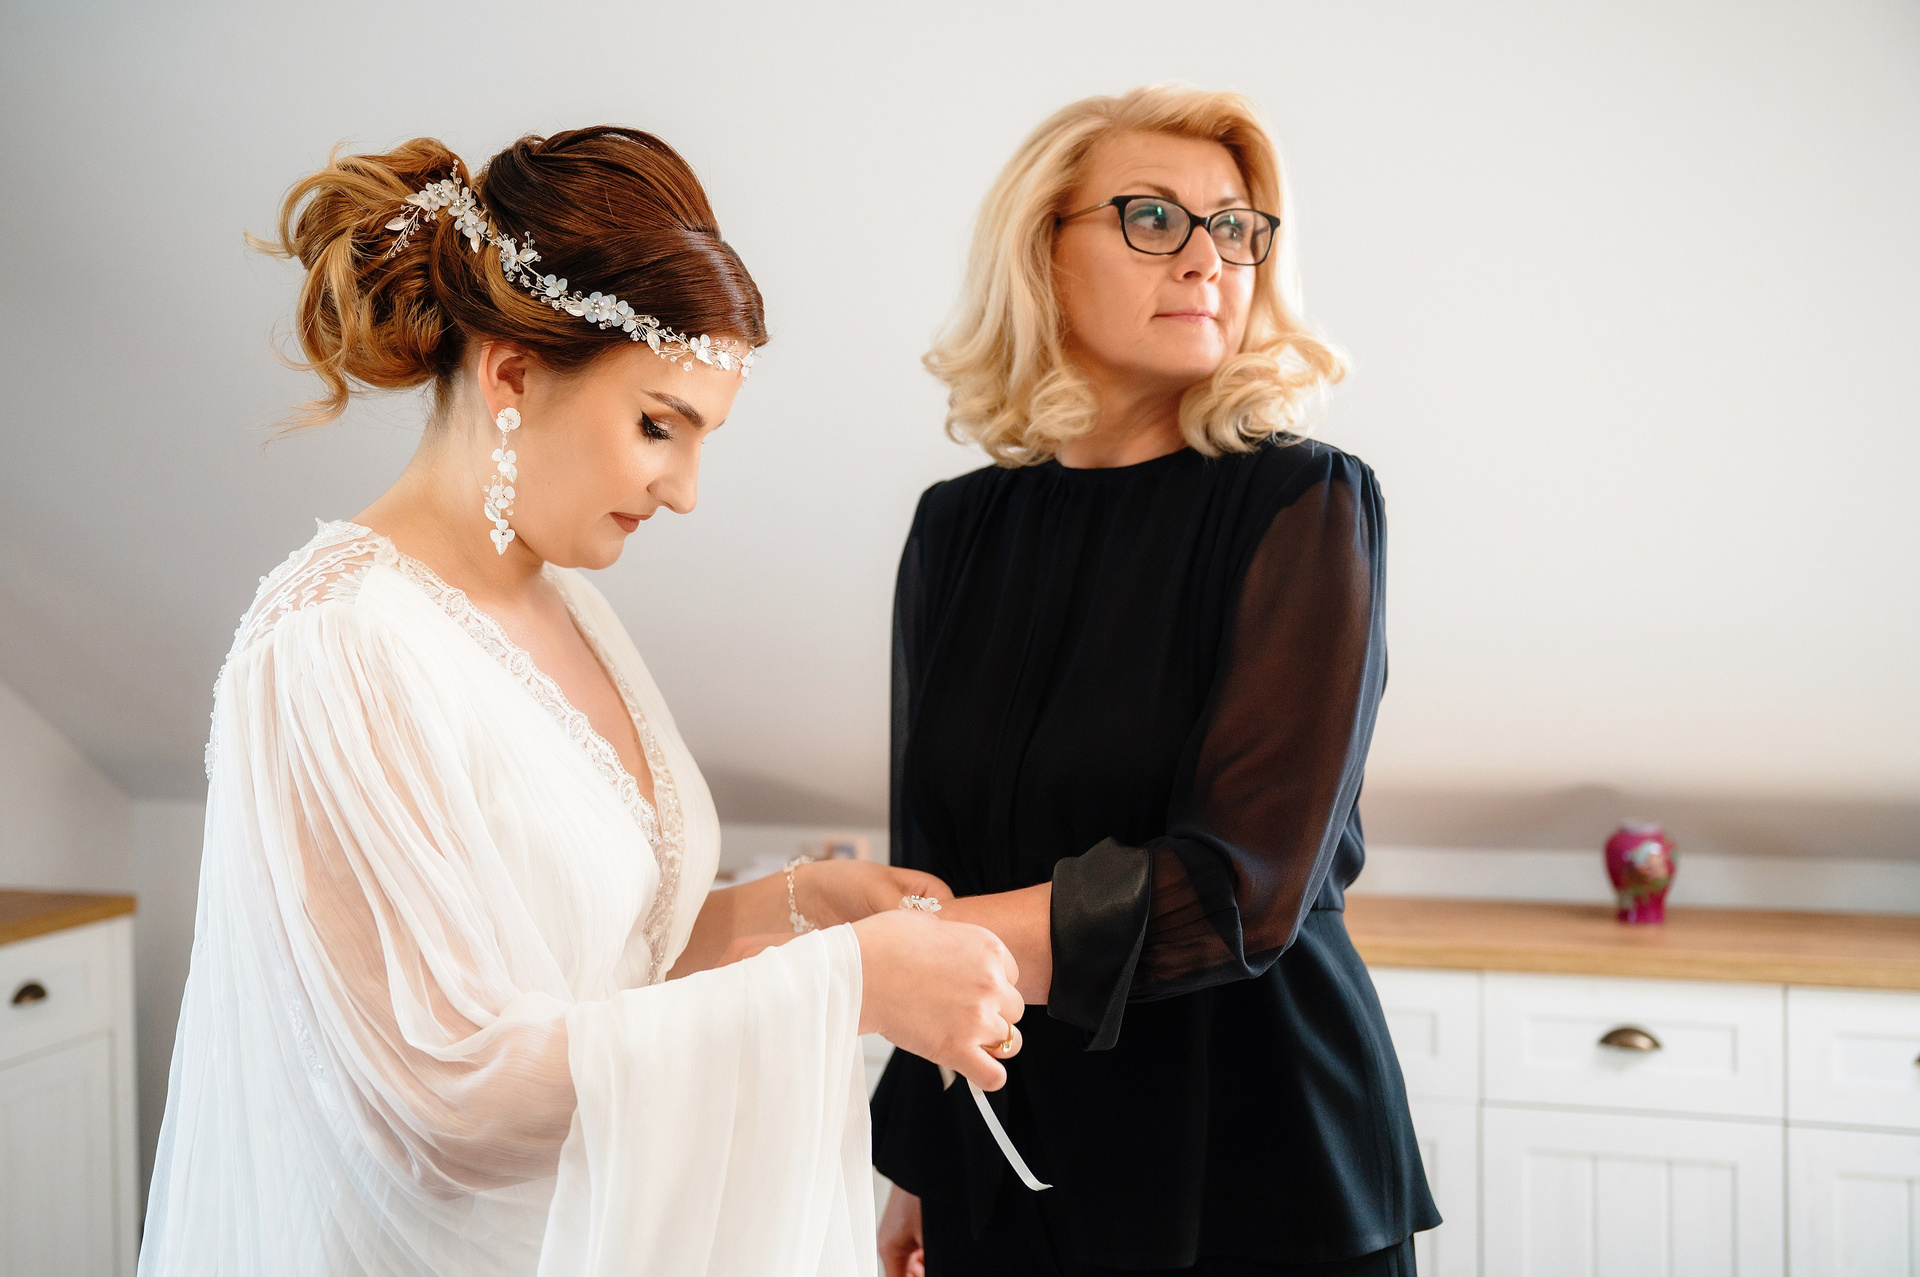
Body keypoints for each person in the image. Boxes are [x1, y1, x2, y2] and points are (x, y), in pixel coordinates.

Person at [140, 126, 1026, 1277]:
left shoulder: (568, 602)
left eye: (702, 439)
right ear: (511, 373)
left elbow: (604, 963)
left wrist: (797, 903)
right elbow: (445, 1101)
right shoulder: (337, 646)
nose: (686, 490)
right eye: (659, 425)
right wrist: (846, 981)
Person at [871, 87, 1439, 1276]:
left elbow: (1238, 887)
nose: (1205, 258)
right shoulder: (955, 529)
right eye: (1151, 217)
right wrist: (920, 1153)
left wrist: (865, 957)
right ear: (1041, 251)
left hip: (1255, 1160)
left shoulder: (1305, 502)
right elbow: (933, 855)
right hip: (1008, 1151)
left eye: (1233, 226)